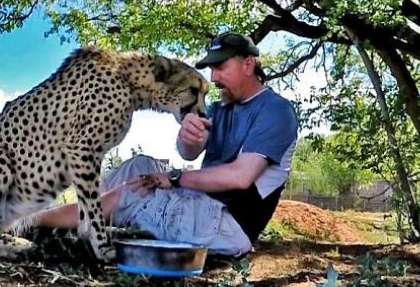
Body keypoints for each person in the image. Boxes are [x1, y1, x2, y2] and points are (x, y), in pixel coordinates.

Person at [36, 33, 298, 257]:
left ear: (248, 64)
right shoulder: (220, 108)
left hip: (228, 226)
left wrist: (173, 178)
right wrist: (187, 138)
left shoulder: (276, 111)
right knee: (138, 167)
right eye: (211, 69)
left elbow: (241, 177)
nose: (213, 77)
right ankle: (83, 223)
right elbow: (188, 152)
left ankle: (31, 222)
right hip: (199, 205)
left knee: (132, 191)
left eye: (220, 67)